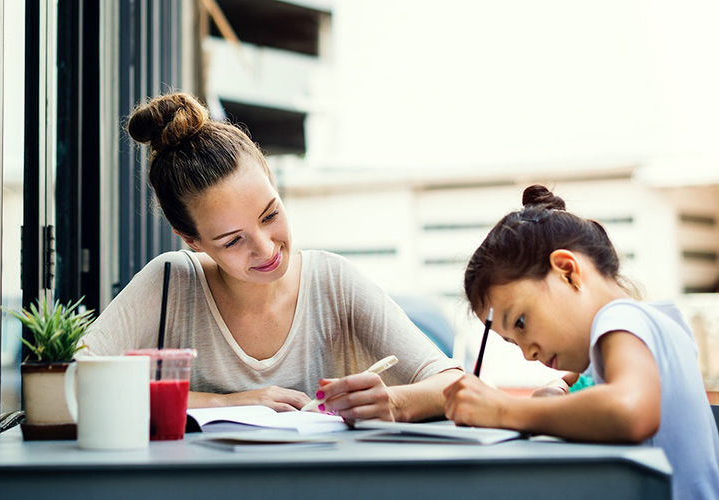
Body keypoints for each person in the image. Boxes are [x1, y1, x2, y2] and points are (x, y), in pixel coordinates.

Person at [82, 92, 462, 421]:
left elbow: (456, 384)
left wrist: (393, 401)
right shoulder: (170, 283)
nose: (266, 249)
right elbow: (75, 384)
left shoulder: (333, 283)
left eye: (270, 215)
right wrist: (230, 403)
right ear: (192, 240)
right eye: (232, 241)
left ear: (274, 183)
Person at [443, 185, 719, 499]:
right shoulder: (651, 321)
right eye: (511, 342)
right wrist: (559, 390)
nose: (528, 354)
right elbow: (585, 376)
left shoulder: (618, 321)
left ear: (567, 271)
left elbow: (630, 411)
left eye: (520, 322)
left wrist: (504, 411)